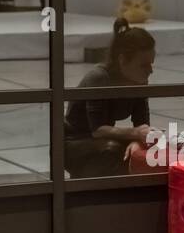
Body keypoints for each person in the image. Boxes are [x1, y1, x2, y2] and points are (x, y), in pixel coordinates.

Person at [64, 18, 156, 178]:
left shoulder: (139, 81)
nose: (150, 71)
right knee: (113, 150)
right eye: (144, 65)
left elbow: (142, 125)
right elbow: (98, 130)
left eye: (151, 64)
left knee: (145, 150)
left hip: (101, 139)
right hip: (73, 142)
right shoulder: (99, 78)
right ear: (122, 61)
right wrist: (136, 134)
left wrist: (137, 141)